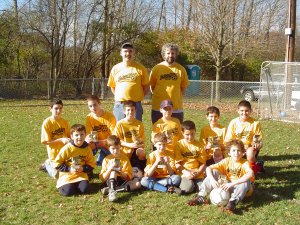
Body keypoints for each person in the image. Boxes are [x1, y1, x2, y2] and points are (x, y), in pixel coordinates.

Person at [187, 140, 255, 214]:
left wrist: (232, 184)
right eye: (234, 151)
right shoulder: (226, 161)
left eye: (239, 151)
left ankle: (232, 203)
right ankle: (201, 196)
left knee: (246, 180)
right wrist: (212, 180)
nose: (236, 153)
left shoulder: (244, 162)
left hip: (242, 189)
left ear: (242, 153)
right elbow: (208, 168)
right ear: (229, 153)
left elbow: (250, 173)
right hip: (228, 186)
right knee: (214, 172)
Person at [107, 42, 149, 121]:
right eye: (125, 51)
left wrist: (138, 97)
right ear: (121, 53)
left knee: (135, 130)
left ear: (134, 53)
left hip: (135, 105)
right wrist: (120, 97)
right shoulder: (115, 68)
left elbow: (146, 86)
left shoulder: (140, 68)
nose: (128, 53)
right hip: (120, 105)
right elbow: (112, 86)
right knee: (119, 129)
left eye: (130, 51)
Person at [149, 43, 189, 124]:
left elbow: (183, 88)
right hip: (158, 108)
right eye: (168, 53)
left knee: (176, 133)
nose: (170, 55)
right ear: (164, 55)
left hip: (176, 108)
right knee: (158, 134)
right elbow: (151, 86)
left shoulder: (181, 69)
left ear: (176, 55)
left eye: (173, 53)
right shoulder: (156, 68)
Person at [53, 124, 96, 196]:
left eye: (82, 134)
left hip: (80, 174)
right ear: (72, 136)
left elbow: (92, 164)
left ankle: (78, 184)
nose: (79, 137)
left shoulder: (87, 148)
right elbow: (57, 164)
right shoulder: (67, 148)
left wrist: (83, 168)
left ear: (85, 135)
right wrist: (69, 169)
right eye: (76, 135)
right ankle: (69, 185)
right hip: (67, 174)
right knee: (67, 192)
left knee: (85, 190)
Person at [224, 100, 264, 174]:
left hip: (249, 148)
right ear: (238, 111)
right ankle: (259, 166)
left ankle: (252, 174)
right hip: (236, 147)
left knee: (250, 153)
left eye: (246, 111)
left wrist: (256, 143)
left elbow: (258, 139)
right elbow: (228, 140)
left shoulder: (255, 123)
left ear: (250, 111)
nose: (244, 113)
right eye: (242, 110)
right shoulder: (233, 122)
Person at [99, 135, 140, 202]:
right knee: (113, 171)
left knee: (137, 184)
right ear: (109, 148)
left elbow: (128, 177)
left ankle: (111, 189)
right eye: (113, 149)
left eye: (117, 148)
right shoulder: (106, 159)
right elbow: (103, 179)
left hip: (122, 180)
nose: (115, 151)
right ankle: (112, 193)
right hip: (110, 180)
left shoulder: (125, 158)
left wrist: (121, 172)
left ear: (120, 146)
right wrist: (110, 168)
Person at [113, 101, 146, 173]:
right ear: (124, 111)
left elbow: (142, 141)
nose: (130, 112)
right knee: (116, 154)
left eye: (132, 110)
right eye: (128, 110)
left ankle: (141, 170)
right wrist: (129, 145)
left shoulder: (139, 124)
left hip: (135, 149)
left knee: (141, 151)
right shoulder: (120, 124)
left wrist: (138, 143)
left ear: (135, 111)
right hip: (123, 149)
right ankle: (118, 172)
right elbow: (116, 141)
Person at [40, 99, 70, 178]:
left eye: (60, 108)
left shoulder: (64, 122)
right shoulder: (47, 123)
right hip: (54, 155)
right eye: (56, 108)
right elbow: (46, 141)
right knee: (57, 176)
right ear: (50, 109)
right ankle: (47, 164)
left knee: (72, 171)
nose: (58, 110)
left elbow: (69, 136)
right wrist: (61, 140)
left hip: (65, 154)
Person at [174, 120, 207, 193]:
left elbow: (202, 163)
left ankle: (195, 185)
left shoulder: (200, 145)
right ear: (182, 133)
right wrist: (186, 172)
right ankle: (181, 186)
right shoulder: (179, 145)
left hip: (197, 173)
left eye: (192, 134)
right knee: (187, 188)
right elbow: (177, 164)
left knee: (203, 189)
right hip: (185, 173)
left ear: (195, 131)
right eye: (187, 134)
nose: (190, 137)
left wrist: (197, 173)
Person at [85, 95, 116, 166]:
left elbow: (114, 136)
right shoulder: (89, 117)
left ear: (99, 103)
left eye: (95, 105)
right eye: (90, 106)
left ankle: (103, 155)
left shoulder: (110, 116)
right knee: (86, 145)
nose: (93, 108)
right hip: (96, 143)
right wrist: (88, 139)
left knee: (106, 163)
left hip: (108, 143)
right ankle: (87, 165)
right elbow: (89, 134)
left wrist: (104, 142)